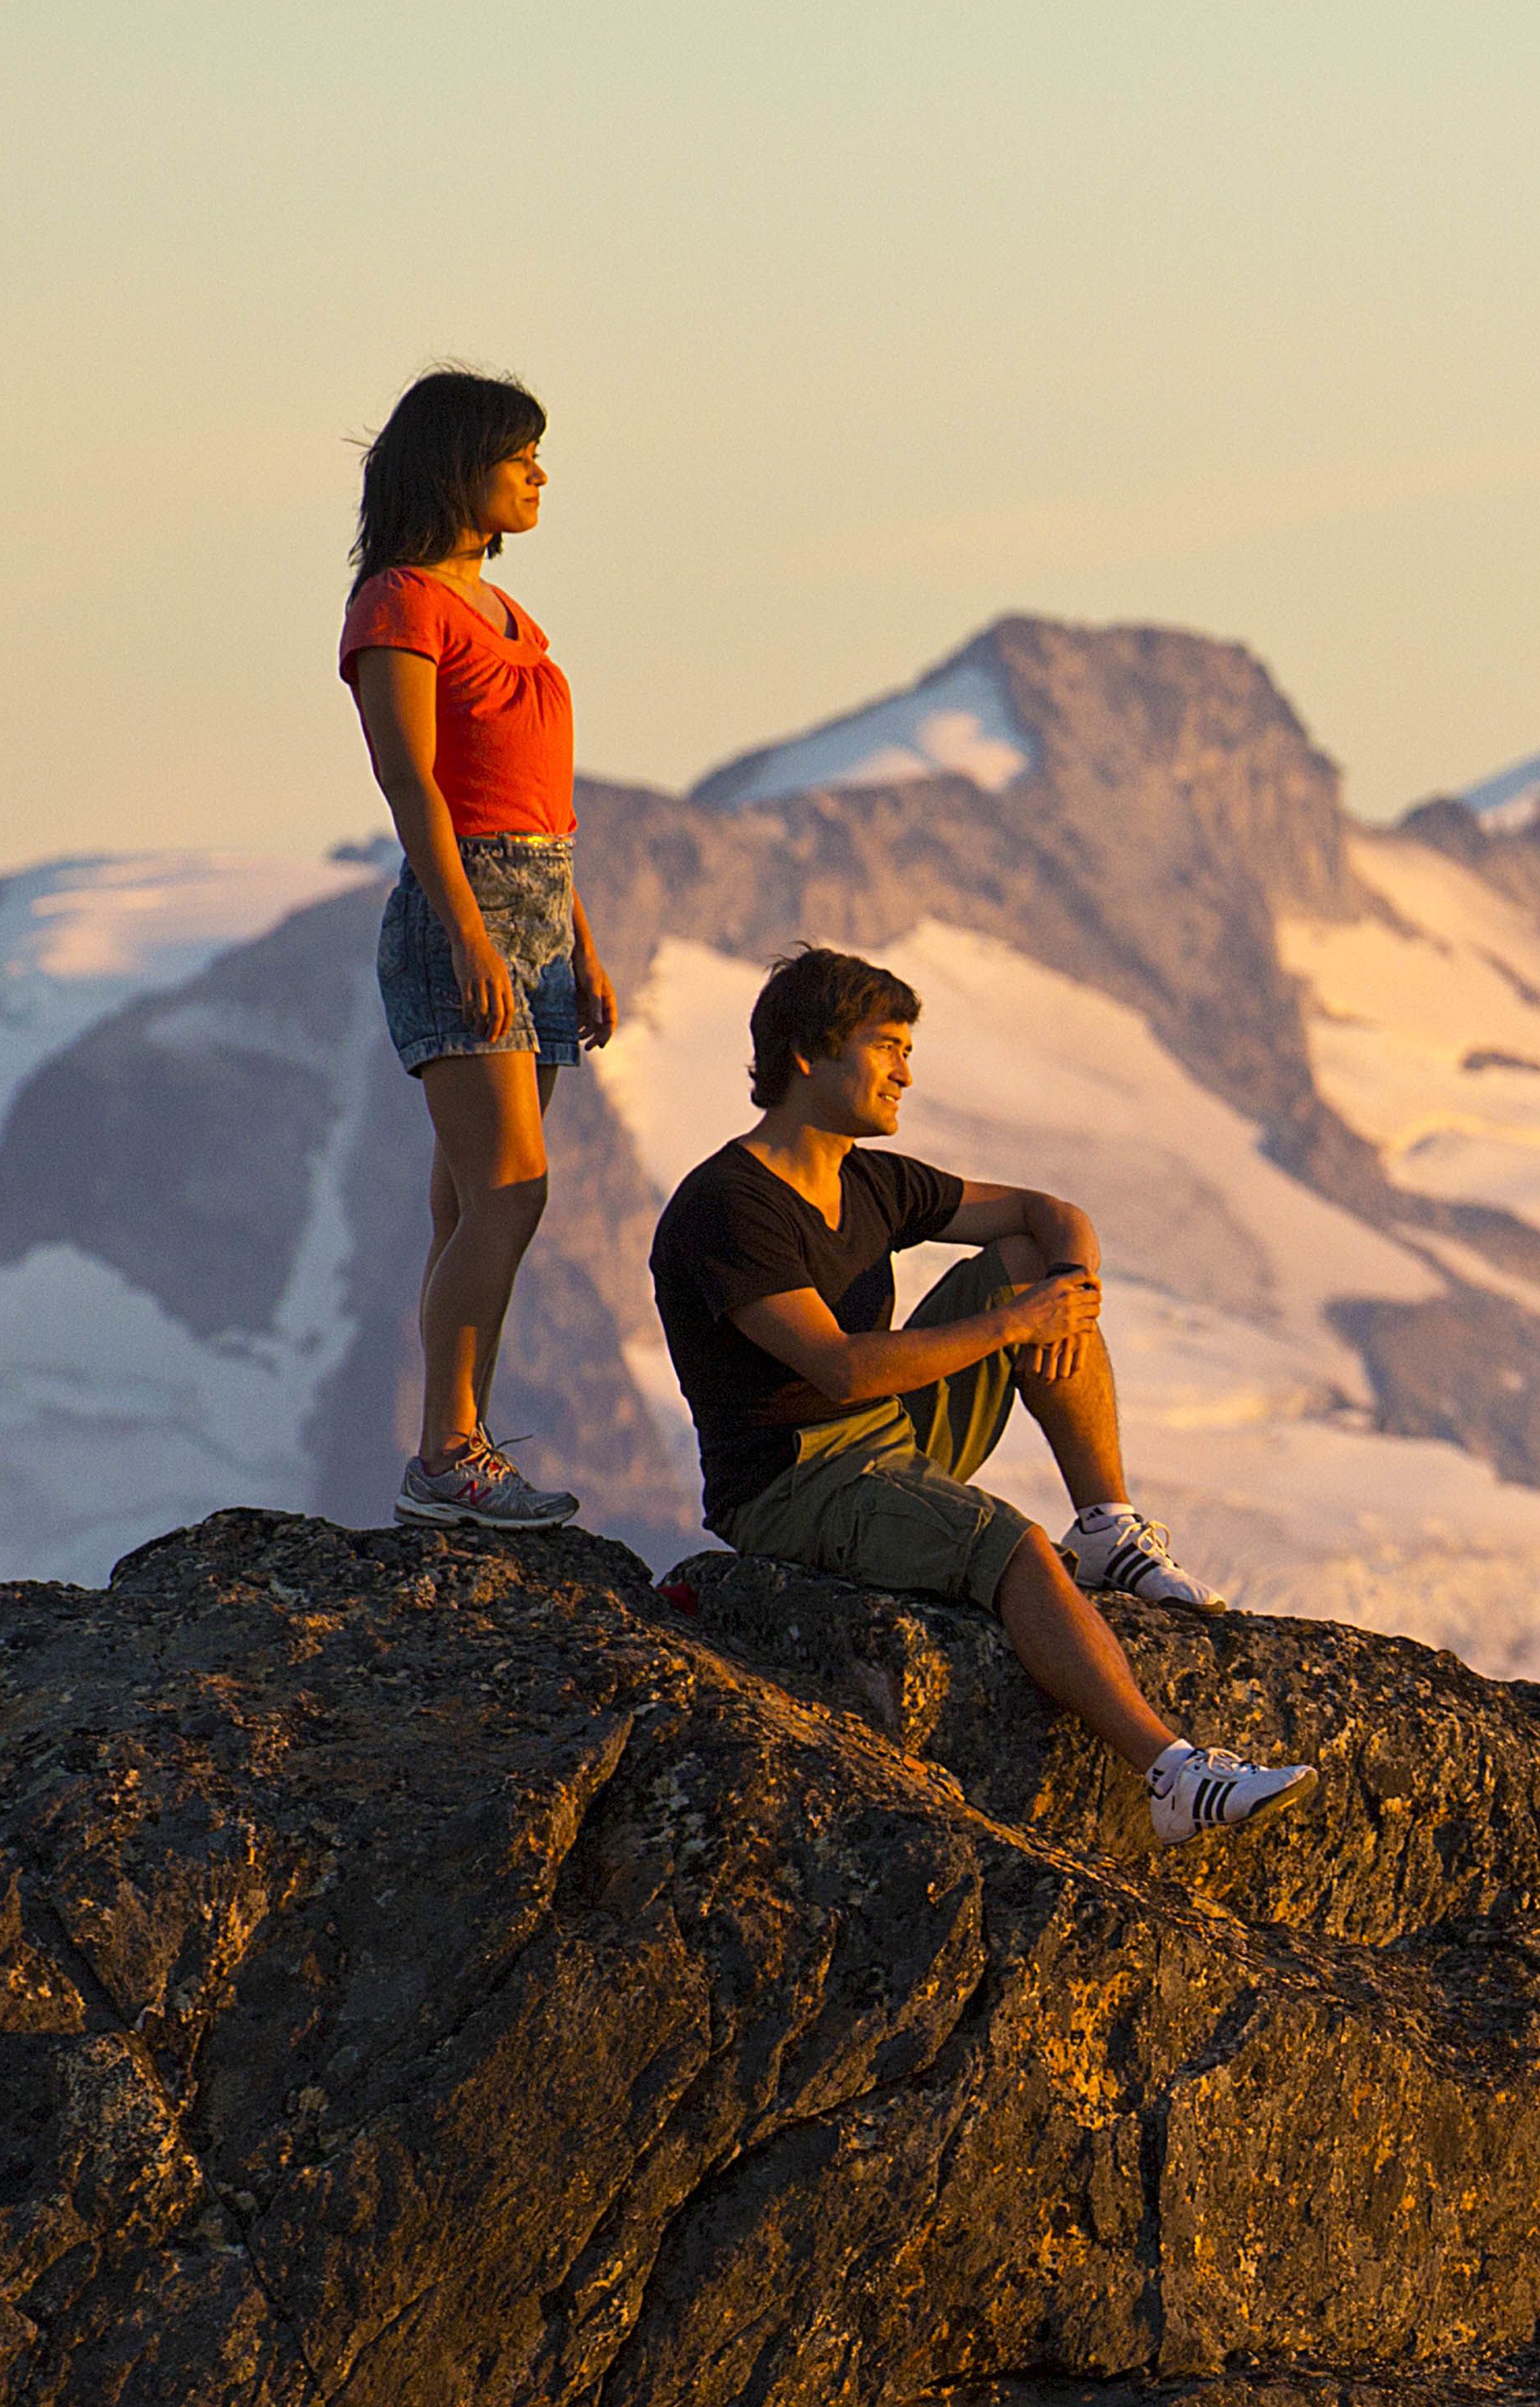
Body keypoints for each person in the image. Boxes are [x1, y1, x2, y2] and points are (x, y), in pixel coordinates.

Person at [649, 944, 1313, 1847]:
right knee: (1010, 1545)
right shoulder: (729, 1206)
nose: (906, 1075)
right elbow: (837, 1370)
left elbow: (1047, 1213)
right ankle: (1172, 1776)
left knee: (1023, 1264)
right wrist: (1017, 1326)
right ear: (809, 1053)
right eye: (887, 1048)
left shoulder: (869, 1178)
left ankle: (1108, 1524)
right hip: (793, 1483)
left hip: (886, 1434)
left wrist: (1067, 1289)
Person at [341, 365, 615, 1529]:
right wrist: (467, 929)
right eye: (519, 457)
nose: (540, 475)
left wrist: (581, 941)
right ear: (459, 467)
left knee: (473, 1196)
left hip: (540, 903)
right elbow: (410, 781)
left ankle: (460, 1449)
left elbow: (543, 801)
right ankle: (447, 1451)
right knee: (509, 1186)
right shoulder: (400, 604)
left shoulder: (513, 620)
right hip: (468, 904)